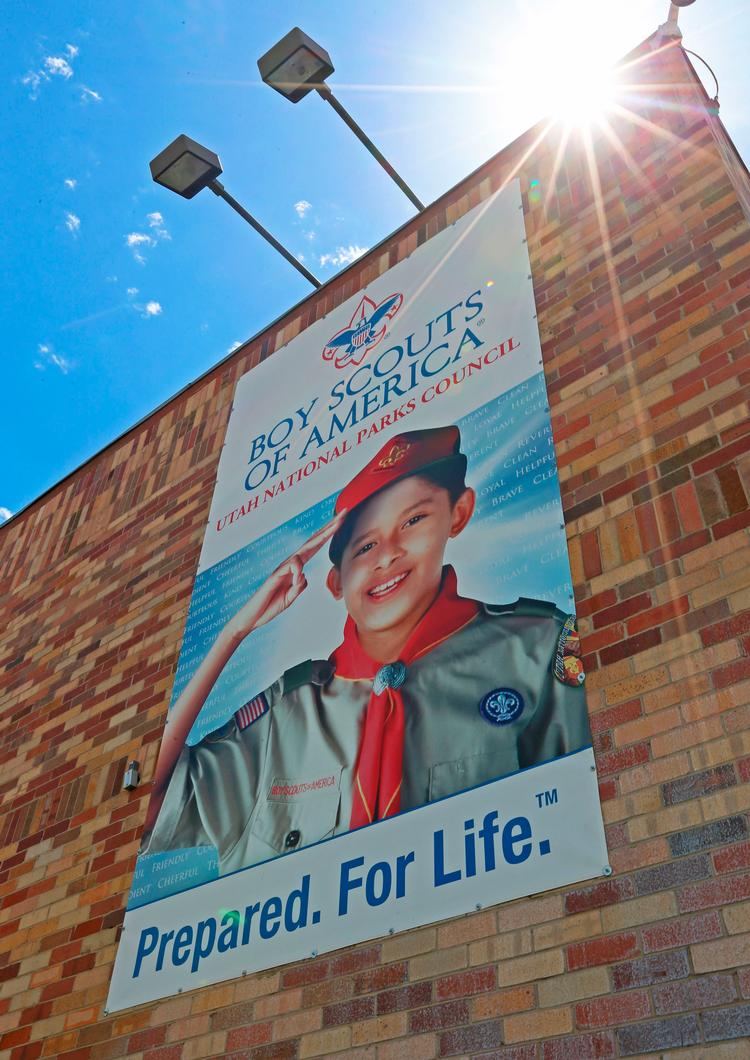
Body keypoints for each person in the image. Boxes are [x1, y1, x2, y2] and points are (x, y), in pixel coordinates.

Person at [142, 426, 590, 874]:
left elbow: (587, 808)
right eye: (365, 546)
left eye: (413, 521)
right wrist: (233, 634)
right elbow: (144, 812)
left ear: (459, 513)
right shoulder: (287, 715)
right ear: (336, 582)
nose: (386, 556)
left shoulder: (537, 648)